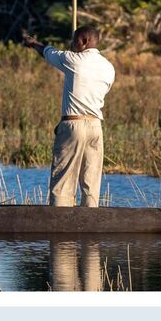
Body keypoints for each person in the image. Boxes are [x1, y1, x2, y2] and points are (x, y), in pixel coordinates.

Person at [22, 25, 116, 207]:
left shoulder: (73, 59)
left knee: (63, 182)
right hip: (96, 127)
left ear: (84, 41)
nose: (72, 45)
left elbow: (49, 53)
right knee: (91, 183)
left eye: (74, 41)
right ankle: (90, 226)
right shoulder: (109, 68)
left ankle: (61, 229)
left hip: (74, 125)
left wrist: (33, 43)